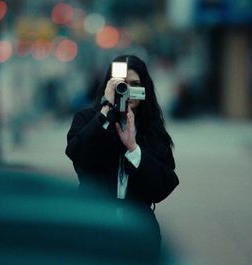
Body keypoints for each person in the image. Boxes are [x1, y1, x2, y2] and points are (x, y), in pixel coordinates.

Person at [65, 55, 179, 255]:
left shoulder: (152, 129)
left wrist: (134, 149)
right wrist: (106, 112)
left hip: (137, 228)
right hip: (92, 224)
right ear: (109, 86)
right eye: (121, 85)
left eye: (134, 84)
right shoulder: (89, 119)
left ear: (145, 89)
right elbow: (78, 154)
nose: (126, 91)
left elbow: (164, 185)